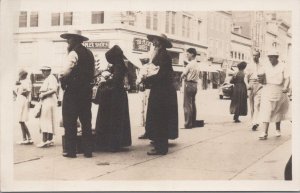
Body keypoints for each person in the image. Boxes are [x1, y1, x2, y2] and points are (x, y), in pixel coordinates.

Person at [59, 30, 95, 158]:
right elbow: (92, 71)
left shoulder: (73, 52)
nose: (67, 42)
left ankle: (71, 151)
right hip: (86, 91)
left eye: (69, 39)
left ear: (74, 40)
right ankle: (88, 150)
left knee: (70, 121)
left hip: (73, 91)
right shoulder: (89, 53)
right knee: (86, 121)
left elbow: (66, 70)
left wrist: (61, 78)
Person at [142, 33, 178, 155]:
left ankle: (161, 148)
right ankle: (159, 145)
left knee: (160, 118)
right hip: (160, 90)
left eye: (155, 41)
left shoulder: (163, 55)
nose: (153, 43)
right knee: (158, 118)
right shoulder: (161, 54)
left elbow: (161, 74)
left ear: (160, 43)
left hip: (162, 91)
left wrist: (147, 80)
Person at [94, 45, 132, 152]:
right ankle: (116, 142)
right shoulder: (119, 65)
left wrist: (105, 82)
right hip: (118, 95)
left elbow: (116, 82)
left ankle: (112, 144)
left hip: (115, 96)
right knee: (117, 119)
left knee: (113, 119)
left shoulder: (118, 66)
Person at [258, 50, 290, 140]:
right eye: (269, 57)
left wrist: (286, 87)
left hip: (279, 89)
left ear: (276, 57)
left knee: (277, 110)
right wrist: (260, 79)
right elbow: (260, 75)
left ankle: (277, 128)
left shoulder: (283, 66)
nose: (270, 59)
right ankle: (264, 132)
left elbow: (287, 78)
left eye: (272, 57)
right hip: (267, 89)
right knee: (266, 110)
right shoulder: (266, 66)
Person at [36, 66, 58, 148]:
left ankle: (44, 140)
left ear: (48, 71)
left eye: (43, 71)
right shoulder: (50, 78)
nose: (42, 73)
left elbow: (54, 90)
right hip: (49, 101)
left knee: (44, 119)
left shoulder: (51, 78)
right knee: (49, 119)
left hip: (48, 101)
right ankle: (50, 139)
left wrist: (43, 94)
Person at [180, 48, 199, 129]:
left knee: (187, 104)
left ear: (192, 54)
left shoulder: (189, 64)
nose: (187, 56)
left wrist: (182, 78)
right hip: (195, 85)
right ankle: (193, 122)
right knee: (193, 104)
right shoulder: (197, 64)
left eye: (188, 54)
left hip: (189, 84)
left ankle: (187, 123)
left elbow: (182, 75)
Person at [15, 69, 33, 145]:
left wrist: (21, 92)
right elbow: (16, 92)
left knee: (21, 120)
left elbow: (27, 92)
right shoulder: (19, 82)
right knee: (21, 120)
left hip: (22, 100)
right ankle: (28, 138)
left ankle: (26, 138)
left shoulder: (26, 82)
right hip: (20, 99)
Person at [246, 50, 263, 131]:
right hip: (251, 84)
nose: (254, 57)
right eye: (253, 55)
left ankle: (256, 122)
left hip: (259, 85)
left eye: (256, 55)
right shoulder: (249, 65)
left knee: (257, 104)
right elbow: (245, 78)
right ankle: (253, 122)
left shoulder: (262, 65)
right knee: (252, 106)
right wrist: (247, 85)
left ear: (259, 56)